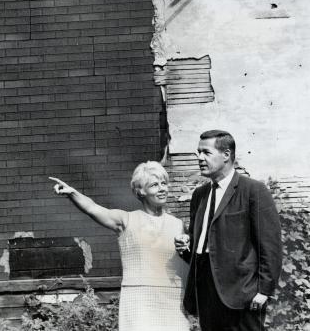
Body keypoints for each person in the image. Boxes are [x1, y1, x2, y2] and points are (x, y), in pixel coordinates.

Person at [50, 161, 190, 331]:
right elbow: (93, 208)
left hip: (172, 299)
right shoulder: (126, 220)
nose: (162, 189)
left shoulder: (178, 225)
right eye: (154, 185)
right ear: (140, 191)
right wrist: (72, 193)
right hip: (139, 300)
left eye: (164, 183)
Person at [175, 130, 282, 331]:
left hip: (241, 292)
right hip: (206, 289)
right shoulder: (200, 195)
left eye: (206, 152)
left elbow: (271, 246)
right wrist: (185, 245)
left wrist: (264, 290)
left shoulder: (253, 190)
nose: (199, 158)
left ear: (226, 155)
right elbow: (203, 244)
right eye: (198, 152)